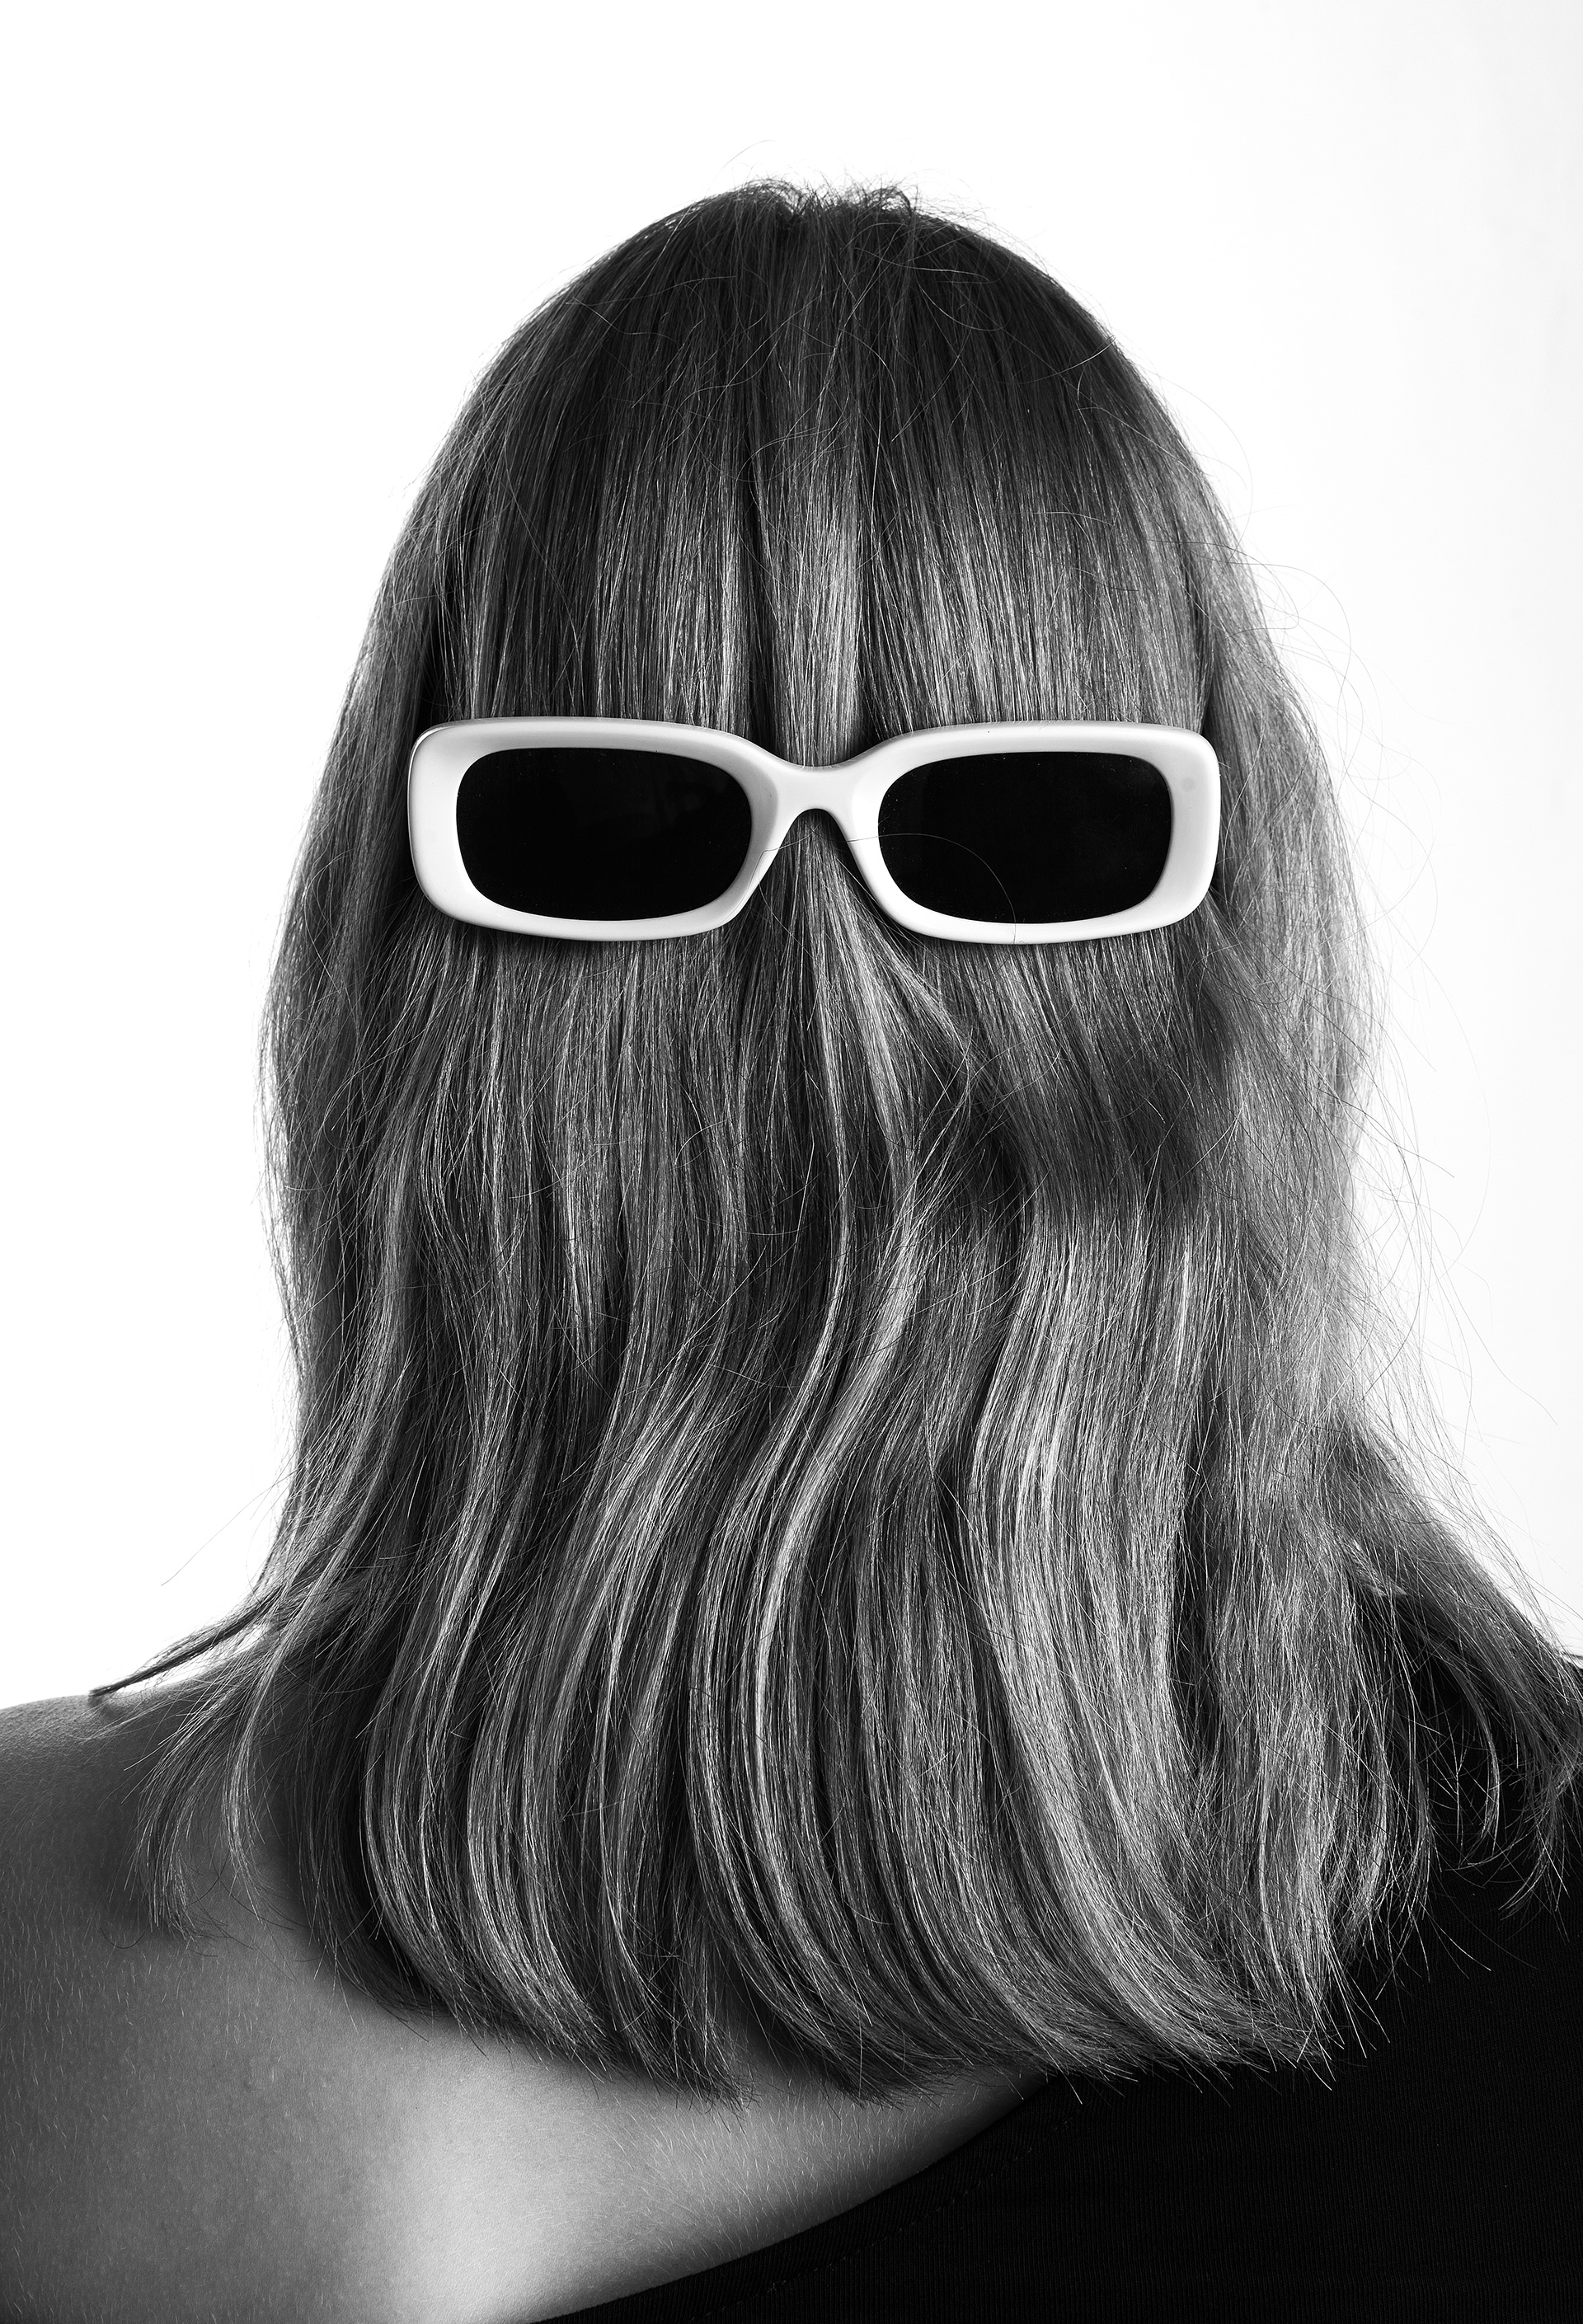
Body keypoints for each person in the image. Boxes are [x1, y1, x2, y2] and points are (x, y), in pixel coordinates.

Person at [3, 181, 1581, 2322]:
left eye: (1006, 822)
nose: (823, 987)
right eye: (639, 819)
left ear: (378, 976)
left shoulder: (29, 1926)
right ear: (1245, 954)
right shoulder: (1531, 1927)